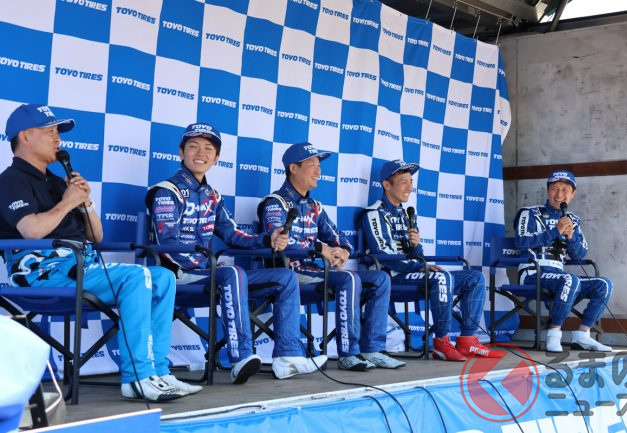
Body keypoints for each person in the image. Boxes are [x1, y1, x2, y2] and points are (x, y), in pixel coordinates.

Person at [0, 104, 193, 401]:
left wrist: (85, 202)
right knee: (136, 277)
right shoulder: (11, 180)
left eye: (58, 132)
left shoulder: (57, 182)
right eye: (50, 132)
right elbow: (31, 231)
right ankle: (138, 378)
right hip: (44, 275)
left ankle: (159, 371)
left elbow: (96, 236)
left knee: (163, 277)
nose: (58, 139)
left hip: (81, 267)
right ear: (25, 136)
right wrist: (67, 202)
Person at [146, 123, 327, 382]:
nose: (201, 153)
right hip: (177, 275)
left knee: (285, 277)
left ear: (216, 158)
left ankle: (287, 357)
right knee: (230, 273)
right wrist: (207, 265)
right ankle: (240, 356)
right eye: (193, 146)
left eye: (209, 148)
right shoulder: (166, 191)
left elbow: (232, 235)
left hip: (208, 273)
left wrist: (268, 238)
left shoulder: (213, 196)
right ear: (181, 152)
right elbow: (167, 243)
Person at [257, 142, 405, 371]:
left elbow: (340, 238)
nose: (319, 171)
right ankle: (348, 353)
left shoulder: (315, 206)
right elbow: (279, 241)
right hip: (287, 275)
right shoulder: (275, 203)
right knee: (348, 279)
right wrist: (320, 248)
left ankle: (373, 349)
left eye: (319, 165)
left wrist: (343, 251)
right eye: (312, 165)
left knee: (380, 279)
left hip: (315, 273)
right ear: (293, 168)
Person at [360, 160, 505, 361]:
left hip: (411, 274)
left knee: (475, 278)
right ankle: (441, 341)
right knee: (441, 277)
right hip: (389, 277)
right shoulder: (373, 213)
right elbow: (383, 254)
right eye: (403, 182)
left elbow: (418, 255)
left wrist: (416, 245)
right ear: (386, 185)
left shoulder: (406, 214)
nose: (409, 187)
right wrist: (420, 266)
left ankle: (467, 340)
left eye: (411, 182)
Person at [514, 170, 612, 352]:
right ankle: (553, 334)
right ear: (547, 191)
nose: (559, 194)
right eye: (555, 188)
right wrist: (555, 231)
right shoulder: (529, 213)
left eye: (565, 190)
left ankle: (582, 335)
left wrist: (571, 237)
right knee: (570, 279)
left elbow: (579, 255)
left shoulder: (573, 220)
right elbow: (521, 243)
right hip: (532, 273)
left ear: (573, 194)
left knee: (603, 284)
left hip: (558, 275)